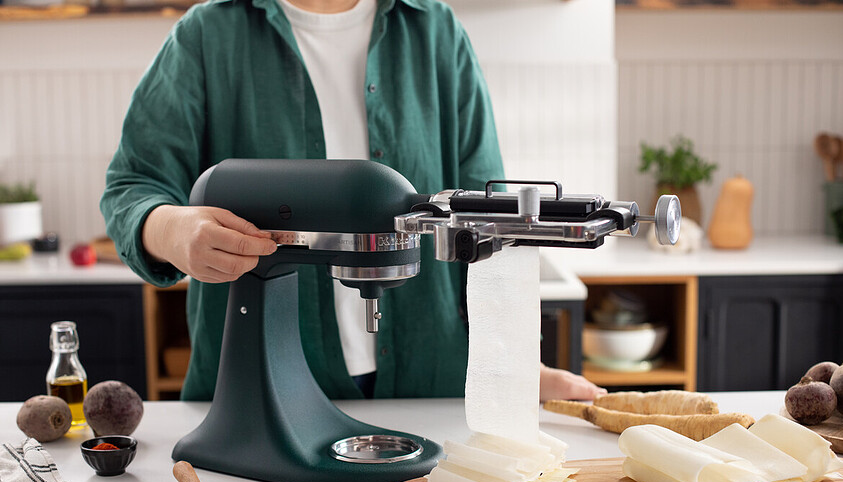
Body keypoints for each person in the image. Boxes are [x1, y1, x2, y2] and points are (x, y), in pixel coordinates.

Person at [101, 0, 605, 402]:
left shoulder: (435, 30)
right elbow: (132, 186)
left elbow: (491, 220)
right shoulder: (207, 35)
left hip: (431, 385)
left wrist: (517, 363)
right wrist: (172, 231)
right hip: (254, 387)